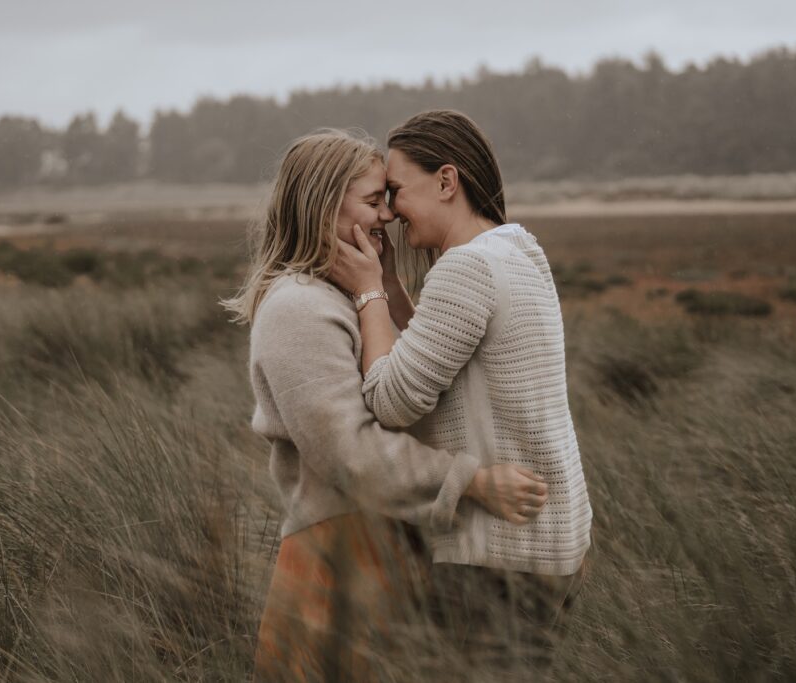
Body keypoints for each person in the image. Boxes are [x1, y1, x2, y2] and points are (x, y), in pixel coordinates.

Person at [221, 128, 548, 682]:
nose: (389, 216)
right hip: (339, 558)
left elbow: (413, 385)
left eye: (389, 200)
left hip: (389, 546)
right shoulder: (297, 308)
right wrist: (472, 482)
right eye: (374, 201)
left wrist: (389, 286)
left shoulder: (349, 295)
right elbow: (351, 453)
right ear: (323, 204)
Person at [328, 110, 593, 671]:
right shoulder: (518, 249)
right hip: (554, 542)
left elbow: (390, 400)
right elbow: (445, 351)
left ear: (447, 182)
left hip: (498, 557)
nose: (392, 212)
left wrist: (368, 291)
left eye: (397, 191)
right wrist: (396, 286)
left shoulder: (466, 269)